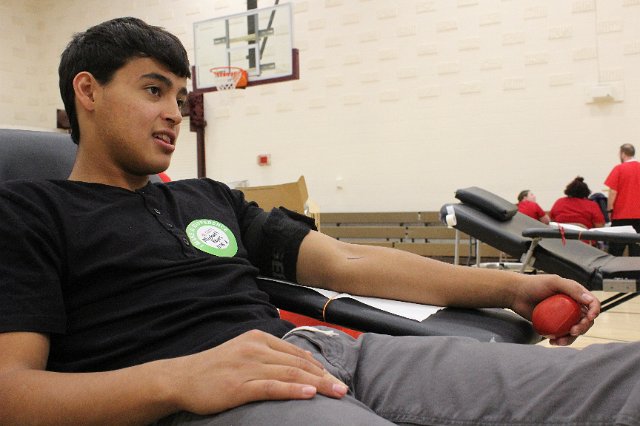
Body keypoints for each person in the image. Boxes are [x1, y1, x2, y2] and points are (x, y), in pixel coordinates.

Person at [0, 17, 638, 426]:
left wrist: (515, 289)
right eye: (152, 90)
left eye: (178, 94)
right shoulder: (30, 213)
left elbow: (348, 262)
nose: (175, 111)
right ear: (87, 91)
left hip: (331, 356)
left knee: (619, 377)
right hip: (213, 392)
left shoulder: (208, 197)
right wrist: (179, 380)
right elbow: (12, 393)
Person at [605, 143, 640, 256]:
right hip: (639, 216)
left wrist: (609, 209)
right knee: (637, 252)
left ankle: (615, 274)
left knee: (616, 251)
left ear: (623, 153)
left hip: (621, 216)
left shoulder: (619, 168)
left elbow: (613, 192)